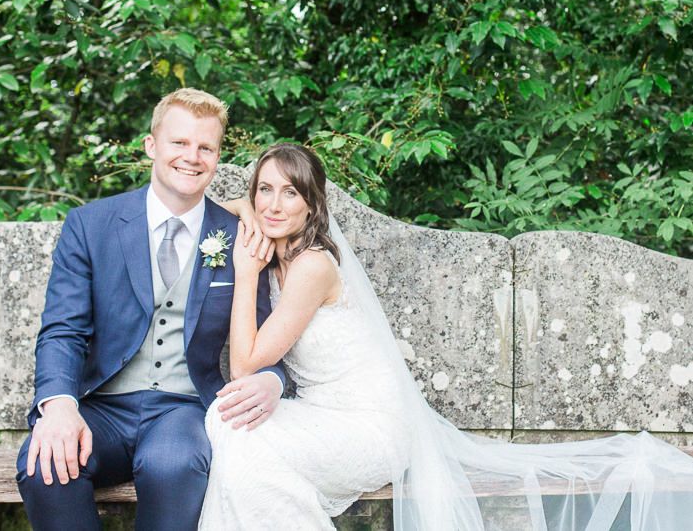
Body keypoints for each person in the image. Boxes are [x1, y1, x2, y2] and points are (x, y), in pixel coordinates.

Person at [199, 142, 693, 531]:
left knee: (239, 442)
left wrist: (246, 271)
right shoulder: (279, 243)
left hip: (370, 428)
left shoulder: (310, 266)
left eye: (291, 193)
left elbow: (244, 366)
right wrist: (246, 207)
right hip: (320, 415)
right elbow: (223, 209)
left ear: (312, 205)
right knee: (228, 429)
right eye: (265, 189)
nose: (274, 204)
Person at [16, 88, 285, 531]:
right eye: (180, 143)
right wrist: (59, 405)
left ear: (218, 157)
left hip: (180, 410)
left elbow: (265, 339)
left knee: (175, 466)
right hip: (100, 406)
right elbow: (63, 330)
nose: (192, 157)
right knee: (44, 465)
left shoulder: (240, 234)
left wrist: (273, 382)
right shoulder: (90, 225)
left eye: (206, 147)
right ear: (151, 146)